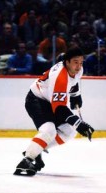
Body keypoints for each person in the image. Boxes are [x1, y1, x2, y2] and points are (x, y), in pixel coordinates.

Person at [14, 46, 94, 176]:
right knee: (49, 129)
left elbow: (74, 82)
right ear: (67, 62)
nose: (79, 66)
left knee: (69, 130)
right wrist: (79, 123)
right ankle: (26, 161)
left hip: (50, 101)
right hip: (36, 100)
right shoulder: (60, 77)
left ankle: (36, 150)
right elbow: (59, 109)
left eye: (81, 62)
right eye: (75, 62)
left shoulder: (77, 69)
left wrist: (76, 95)